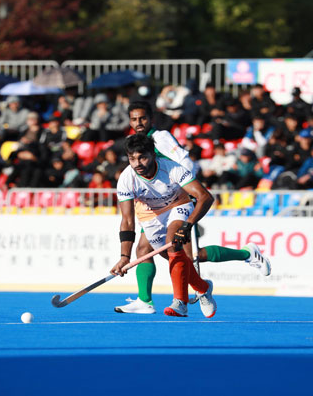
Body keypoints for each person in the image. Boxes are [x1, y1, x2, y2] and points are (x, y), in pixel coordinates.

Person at [113, 102, 270, 315]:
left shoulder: (161, 138)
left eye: (142, 118)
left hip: (178, 197)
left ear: (151, 118)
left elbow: (184, 162)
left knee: (180, 250)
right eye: (133, 119)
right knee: (166, 255)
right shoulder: (128, 168)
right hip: (153, 207)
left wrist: (183, 184)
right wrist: (124, 256)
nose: (138, 123)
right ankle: (199, 288)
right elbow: (127, 220)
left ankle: (181, 301)